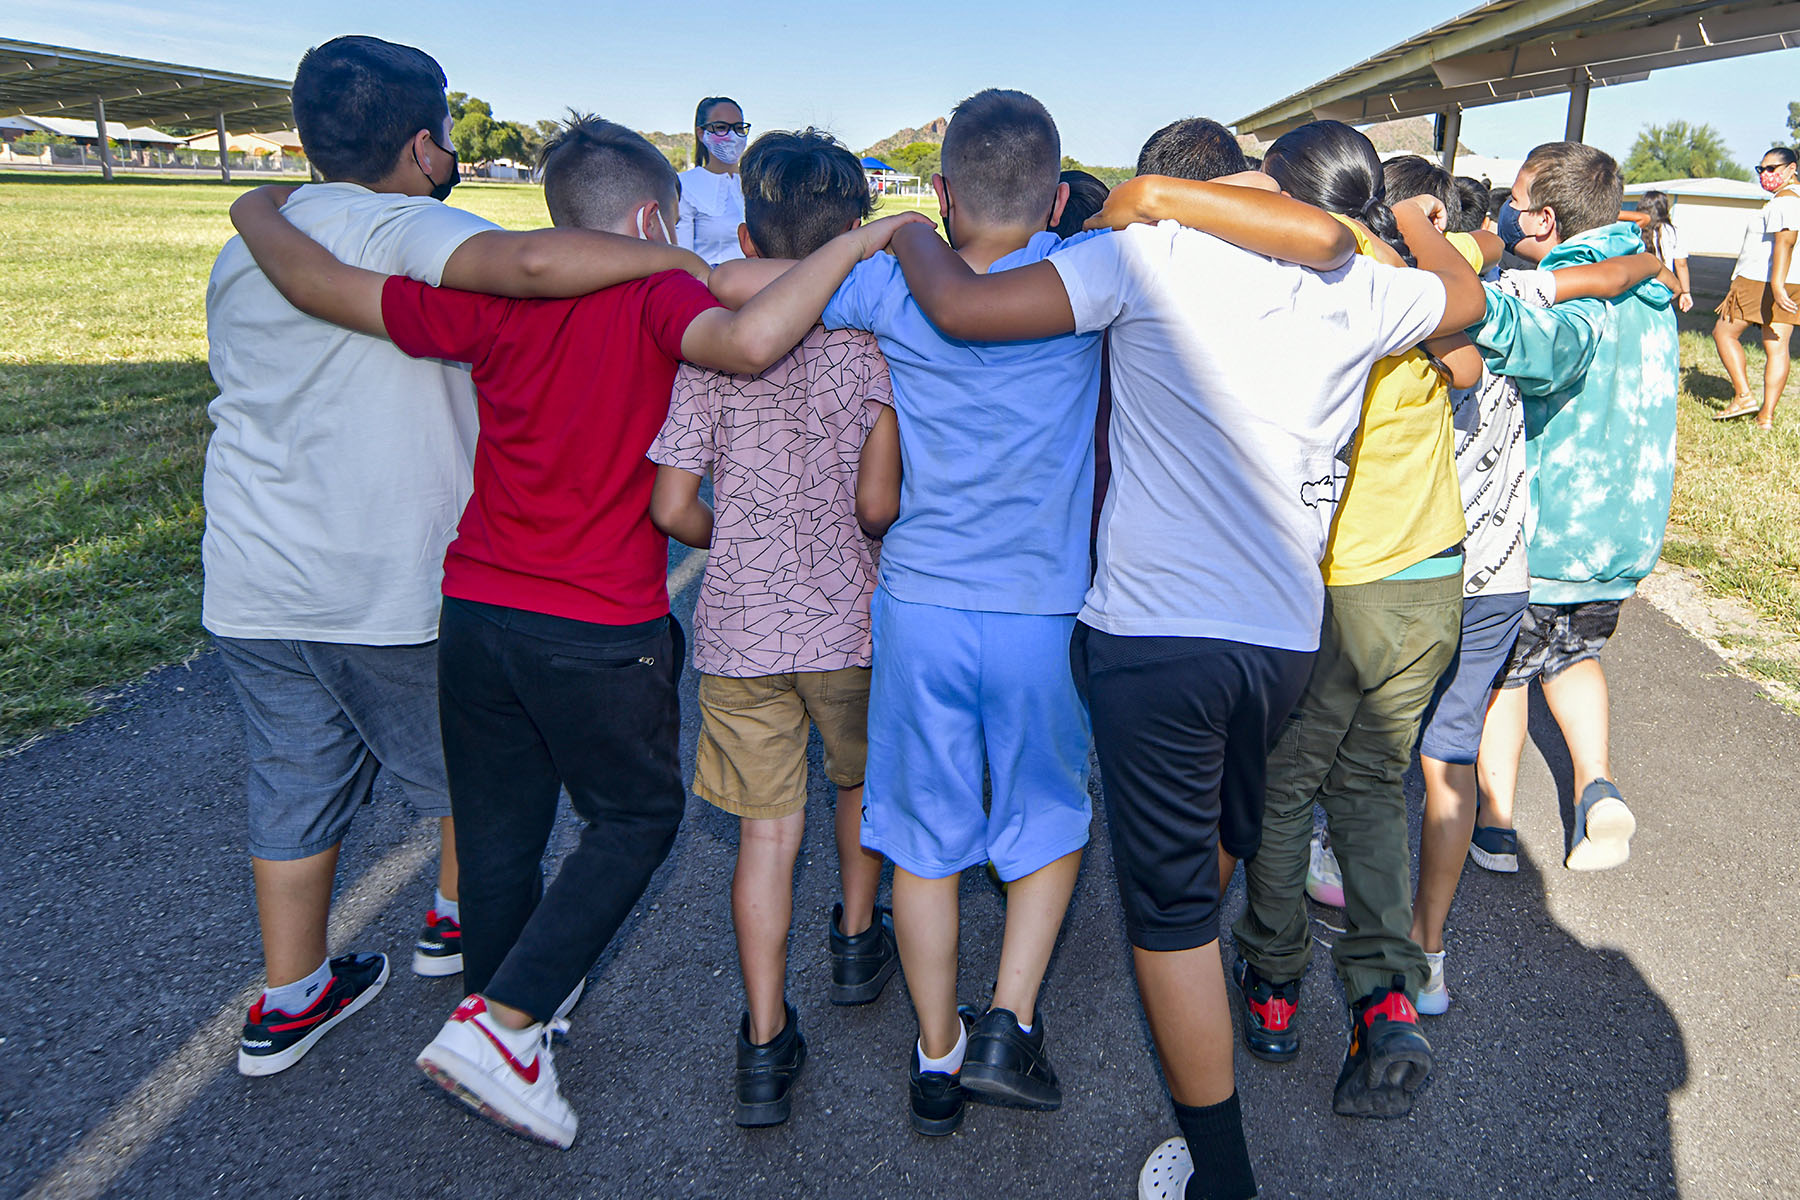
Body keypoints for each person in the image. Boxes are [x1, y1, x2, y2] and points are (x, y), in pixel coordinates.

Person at [228, 115, 926, 1147]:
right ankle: (506, 1028)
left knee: (502, 834)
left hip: (476, 608)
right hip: (597, 619)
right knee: (637, 820)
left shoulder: (491, 303)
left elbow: (322, 288)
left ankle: (508, 1011)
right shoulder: (658, 295)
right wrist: (865, 239)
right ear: (649, 218)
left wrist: (256, 206)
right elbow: (751, 336)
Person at [883, 153, 1485, 1197]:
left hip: (1154, 637)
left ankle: (1223, 1177)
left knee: (1167, 919)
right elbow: (1467, 300)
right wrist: (1421, 221)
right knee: (1226, 835)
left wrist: (900, 232)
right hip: (1285, 636)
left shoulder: (1145, 258)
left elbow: (965, 309)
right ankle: (1219, 980)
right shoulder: (1357, 283)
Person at [209, 35, 709, 1079]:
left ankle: (293, 990)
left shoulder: (256, 242)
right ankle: (483, 965)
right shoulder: (420, 230)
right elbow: (529, 265)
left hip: (256, 566)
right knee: (474, 786)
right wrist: (677, 259)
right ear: (429, 147)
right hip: (384, 566)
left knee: (294, 778)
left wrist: (252, 205)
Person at [645, 128, 900, 1129]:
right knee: (859, 783)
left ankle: (761, 1040)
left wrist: (740, 533)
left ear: (747, 230)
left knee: (763, 837)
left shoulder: (711, 347)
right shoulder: (874, 344)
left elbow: (671, 510)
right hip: (854, 617)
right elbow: (879, 506)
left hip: (741, 633)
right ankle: (852, 938)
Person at [1467, 141, 1679, 877]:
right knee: (1576, 655)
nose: (1509, 210)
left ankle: (1493, 824)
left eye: (1518, 202)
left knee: (1506, 674)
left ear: (1545, 219)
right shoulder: (1646, 275)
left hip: (1549, 529)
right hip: (1624, 524)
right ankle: (1597, 786)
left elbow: (1548, 353)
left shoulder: (1569, 286)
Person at [1712, 147, 1799, 427]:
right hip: (1791, 282)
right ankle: (1766, 417)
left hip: (1761, 280)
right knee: (1777, 346)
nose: (1765, 175)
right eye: (1760, 169)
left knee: (1723, 333)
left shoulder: (1785, 202)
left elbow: (1786, 241)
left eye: (1772, 169)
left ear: (1791, 169)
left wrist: (1776, 285)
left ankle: (1744, 396)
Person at [678, 96, 750, 266]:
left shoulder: (760, 185)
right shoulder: (686, 186)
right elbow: (682, 258)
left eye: (739, 128)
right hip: (707, 288)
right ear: (702, 133)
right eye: (721, 128)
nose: (732, 135)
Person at [1634, 190, 1693, 312]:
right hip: (1663, 287)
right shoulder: (1673, 231)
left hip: (1636, 285)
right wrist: (1685, 292)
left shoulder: (1634, 230)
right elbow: (1681, 264)